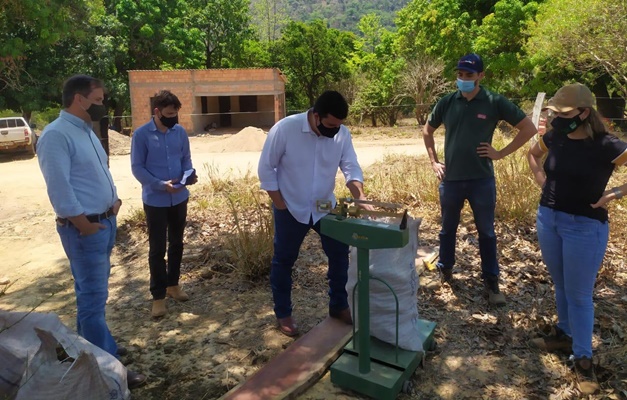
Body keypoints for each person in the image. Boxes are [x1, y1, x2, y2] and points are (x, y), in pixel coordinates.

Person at [37, 75, 146, 389]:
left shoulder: (84, 131)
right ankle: (108, 369)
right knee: (93, 299)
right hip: (85, 230)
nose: (103, 105)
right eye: (98, 100)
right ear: (78, 99)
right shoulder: (57, 135)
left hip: (103, 223)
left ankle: (87, 348)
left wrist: (112, 204)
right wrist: (84, 225)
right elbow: (59, 188)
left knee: (91, 295)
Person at [527, 83, 627, 395]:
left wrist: (615, 193)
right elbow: (533, 154)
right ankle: (564, 333)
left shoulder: (606, 144)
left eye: (565, 113)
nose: (557, 118)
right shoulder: (555, 134)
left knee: (580, 295)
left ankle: (584, 361)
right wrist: (541, 180)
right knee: (561, 283)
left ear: (585, 113)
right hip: (549, 220)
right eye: (555, 112)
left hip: (585, 227)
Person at [422, 53, 537, 306]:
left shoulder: (494, 101)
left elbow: (529, 128)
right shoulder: (447, 102)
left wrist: (500, 153)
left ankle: (492, 282)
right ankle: (445, 270)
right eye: (460, 74)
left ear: (481, 76)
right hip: (451, 179)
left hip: (481, 179)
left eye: (469, 75)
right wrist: (434, 161)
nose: (463, 79)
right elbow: (427, 130)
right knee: (447, 229)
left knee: (486, 232)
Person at [258, 90, 369, 336]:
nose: (335, 130)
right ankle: (283, 313)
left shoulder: (342, 134)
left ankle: (339, 305)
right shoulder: (286, 129)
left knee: (340, 256)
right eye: (330, 125)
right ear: (316, 116)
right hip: (290, 206)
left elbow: (350, 166)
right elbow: (266, 169)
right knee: (284, 260)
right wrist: (280, 204)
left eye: (339, 125)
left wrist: (360, 197)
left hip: (324, 207)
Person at [131, 90, 196, 318]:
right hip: (156, 200)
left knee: (177, 243)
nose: (173, 118)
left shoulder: (180, 133)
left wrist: (189, 174)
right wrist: (160, 184)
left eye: (175, 114)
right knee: (157, 249)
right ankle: (158, 296)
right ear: (157, 112)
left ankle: (173, 285)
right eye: (168, 114)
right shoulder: (141, 135)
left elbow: (186, 159)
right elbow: (137, 168)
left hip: (179, 198)